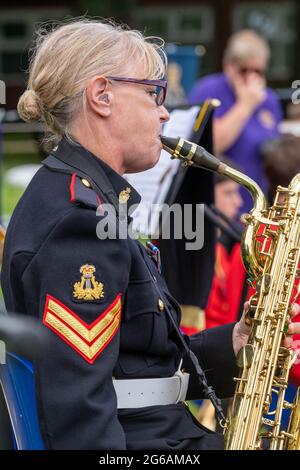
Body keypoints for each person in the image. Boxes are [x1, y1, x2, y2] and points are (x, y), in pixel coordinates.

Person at [1, 19, 298, 451]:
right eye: (153, 92)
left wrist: (235, 344)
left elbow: (137, 367)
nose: (163, 111)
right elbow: (78, 416)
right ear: (102, 95)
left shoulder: (87, 201)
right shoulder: (79, 222)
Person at [188, 30, 283, 214]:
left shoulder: (269, 98)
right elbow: (210, 145)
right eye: (244, 70)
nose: (252, 78)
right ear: (228, 66)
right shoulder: (209, 89)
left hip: (258, 203)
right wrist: (245, 105)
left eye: (258, 71)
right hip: (219, 207)